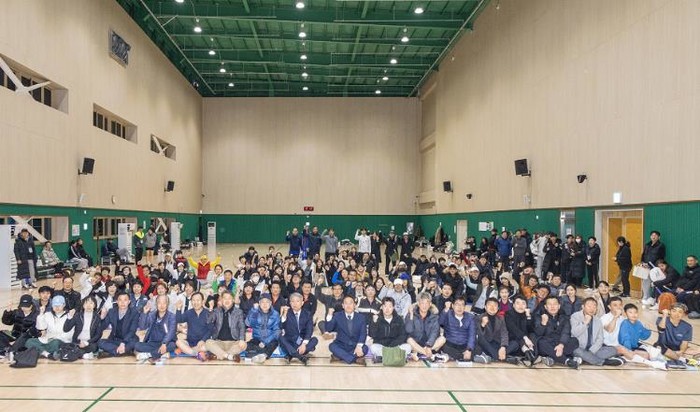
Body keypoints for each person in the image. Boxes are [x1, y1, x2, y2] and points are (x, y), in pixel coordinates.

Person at [600, 298, 667, 370]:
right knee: (634, 353)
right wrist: (615, 317)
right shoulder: (605, 317)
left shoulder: (624, 319)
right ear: (609, 307)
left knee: (647, 353)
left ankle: (625, 357)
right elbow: (609, 330)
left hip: (622, 346)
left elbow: (641, 336)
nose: (618, 307)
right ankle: (652, 364)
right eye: (615, 305)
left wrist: (646, 329)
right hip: (610, 346)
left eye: (620, 305)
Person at [569, 297, 623, 366]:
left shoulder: (597, 320)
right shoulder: (575, 316)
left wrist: (591, 351)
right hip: (579, 347)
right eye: (589, 306)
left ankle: (585, 358)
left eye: (594, 307)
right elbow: (574, 333)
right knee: (577, 351)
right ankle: (603, 362)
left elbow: (600, 339)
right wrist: (585, 323)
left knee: (613, 350)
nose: (592, 309)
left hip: (593, 349)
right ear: (583, 307)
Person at [533, 296, 581, 369]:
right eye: (550, 304)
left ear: (559, 306)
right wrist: (543, 323)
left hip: (560, 342)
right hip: (547, 342)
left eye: (555, 304)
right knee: (540, 343)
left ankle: (552, 357)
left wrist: (561, 345)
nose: (552, 306)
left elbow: (566, 332)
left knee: (574, 341)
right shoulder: (539, 317)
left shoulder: (564, 317)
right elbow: (538, 334)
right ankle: (566, 360)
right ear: (545, 307)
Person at [324, 295, 368, 365]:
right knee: (332, 346)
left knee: (365, 348)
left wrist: (359, 346)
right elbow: (328, 329)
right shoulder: (337, 315)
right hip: (341, 345)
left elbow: (363, 333)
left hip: (355, 345)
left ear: (354, 305)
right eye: (346, 303)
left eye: (350, 303)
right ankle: (354, 359)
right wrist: (329, 315)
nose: (348, 305)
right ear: (343, 306)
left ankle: (340, 356)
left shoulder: (361, 317)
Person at [205, 291, 246, 362]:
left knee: (244, 344)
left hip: (233, 342)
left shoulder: (239, 312)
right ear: (221, 300)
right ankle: (229, 356)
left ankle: (219, 355)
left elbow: (242, 326)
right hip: (219, 342)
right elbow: (208, 321)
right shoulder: (216, 311)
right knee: (208, 342)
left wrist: (242, 339)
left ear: (233, 300)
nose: (227, 300)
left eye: (229, 298)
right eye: (225, 298)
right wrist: (211, 308)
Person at [135, 295, 177, 364]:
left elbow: (171, 332)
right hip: (152, 343)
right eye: (159, 303)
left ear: (167, 304)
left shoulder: (172, 316)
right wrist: (144, 313)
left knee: (172, 345)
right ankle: (161, 354)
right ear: (156, 304)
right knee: (137, 345)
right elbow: (142, 327)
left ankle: (149, 355)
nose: (162, 305)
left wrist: (164, 343)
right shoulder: (152, 315)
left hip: (166, 343)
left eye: (164, 303)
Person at [368, 297, 411, 362]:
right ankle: (397, 357)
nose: (387, 309)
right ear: (382, 307)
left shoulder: (399, 319)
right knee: (373, 347)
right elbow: (372, 335)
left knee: (408, 347)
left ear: (393, 308)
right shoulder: (376, 318)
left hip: (396, 346)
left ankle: (384, 357)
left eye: (390, 306)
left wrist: (392, 346)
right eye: (385, 306)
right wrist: (374, 323)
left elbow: (402, 336)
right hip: (382, 346)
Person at [97, 292, 140, 358]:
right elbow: (103, 326)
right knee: (100, 342)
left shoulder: (134, 312)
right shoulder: (111, 311)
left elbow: (132, 331)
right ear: (117, 301)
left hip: (129, 340)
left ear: (129, 302)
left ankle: (112, 352)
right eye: (120, 300)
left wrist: (123, 343)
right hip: (115, 340)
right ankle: (125, 352)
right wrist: (102, 318)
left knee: (135, 343)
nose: (122, 302)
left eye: (125, 300)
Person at [280, 293, 317, 365]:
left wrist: (303, 344)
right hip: (290, 341)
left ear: (302, 303)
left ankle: (291, 354)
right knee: (280, 337)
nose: (295, 303)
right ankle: (300, 357)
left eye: (297, 301)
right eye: (292, 301)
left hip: (302, 341)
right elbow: (280, 327)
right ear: (290, 303)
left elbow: (309, 330)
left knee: (315, 340)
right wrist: (284, 315)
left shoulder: (308, 314)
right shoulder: (286, 313)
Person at [404, 293, 444, 361]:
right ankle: (427, 353)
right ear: (418, 303)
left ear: (430, 304)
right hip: (415, 343)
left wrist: (429, 345)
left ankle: (420, 353)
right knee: (409, 340)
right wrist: (411, 315)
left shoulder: (435, 317)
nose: (424, 306)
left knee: (442, 339)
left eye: (427, 303)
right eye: (422, 303)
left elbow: (434, 333)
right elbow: (408, 330)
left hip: (429, 344)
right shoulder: (411, 314)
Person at [63, 295, 103, 359]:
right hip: (77, 342)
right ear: (83, 305)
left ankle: (77, 353)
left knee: (94, 347)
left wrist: (87, 342)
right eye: (86, 303)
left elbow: (98, 334)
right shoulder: (78, 316)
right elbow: (66, 329)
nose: (88, 305)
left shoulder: (97, 317)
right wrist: (69, 317)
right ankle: (83, 355)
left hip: (90, 342)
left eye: (91, 303)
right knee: (67, 345)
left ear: (94, 305)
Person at [175, 292, 212, 361]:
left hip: (203, 343)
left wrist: (203, 340)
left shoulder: (208, 313)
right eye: (193, 300)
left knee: (207, 346)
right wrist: (178, 309)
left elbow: (210, 330)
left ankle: (186, 350)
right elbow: (179, 320)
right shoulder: (189, 312)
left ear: (203, 301)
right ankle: (196, 354)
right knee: (178, 342)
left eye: (198, 300)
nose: (195, 302)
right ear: (191, 302)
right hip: (190, 342)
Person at [474, 298, 511, 364]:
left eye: (495, 305)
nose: (492, 307)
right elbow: (478, 336)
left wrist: (503, 347)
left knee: (515, 343)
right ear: (485, 307)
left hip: (496, 344)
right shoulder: (478, 318)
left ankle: (498, 354)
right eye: (490, 305)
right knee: (481, 339)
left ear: (498, 308)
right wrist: (482, 325)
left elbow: (504, 333)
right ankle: (498, 356)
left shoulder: (501, 318)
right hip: (485, 344)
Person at [245, 293, 281, 362]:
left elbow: (277, 331)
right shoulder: (255, 312)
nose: (265, 304)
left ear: (270, 303)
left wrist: (265, 342)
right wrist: (254, 311)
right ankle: (263, 352)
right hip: (257, 339)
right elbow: (248, 323)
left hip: (270, 340)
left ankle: (262, 354)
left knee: (274, 343)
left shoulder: (275, 314)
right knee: (246, 345)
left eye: (267, 302)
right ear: (259, 303)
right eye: (262, 302)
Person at [438, 296, 476, 362]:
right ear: (452, 306)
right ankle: (462, 357)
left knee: (477, 348)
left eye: (462, 305)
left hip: (464, 346)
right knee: (444, 347)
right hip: (450, 346)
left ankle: (457, 356)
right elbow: (440, 322)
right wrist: (446, 310)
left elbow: (472, 335)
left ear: (465, 307)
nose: (459, 307)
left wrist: (469, 350)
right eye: (457, 304)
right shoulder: (448, 314)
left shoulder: (470, 317)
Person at [504, 295, 537, 366]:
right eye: (518, 303)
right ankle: (528, 353)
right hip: (514, 341)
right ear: (513, 305)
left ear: (526, 306)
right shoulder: (508, 314)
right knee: (517, 339)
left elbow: (531, 330)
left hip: (527, 343)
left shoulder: (529, 315)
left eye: (523, 303)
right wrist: (525, 338)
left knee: (532, 334)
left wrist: (528, 316)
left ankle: (530, 353)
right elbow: (514, 329)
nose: (520, 306)